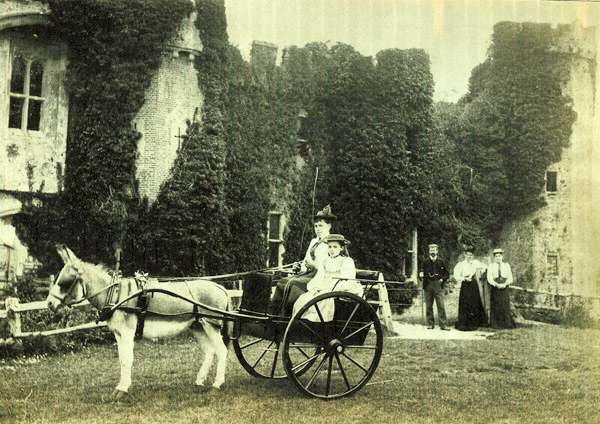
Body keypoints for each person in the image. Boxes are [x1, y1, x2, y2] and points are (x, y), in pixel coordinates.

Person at [267, 205, 336, 315]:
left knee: (292, 284)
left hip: (320, 277)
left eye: (321, 226)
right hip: (308, 274)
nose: (317, 229)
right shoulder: (314, 241)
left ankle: (286, 316)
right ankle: (273, 315)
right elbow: (306, 260)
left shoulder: (332, 243)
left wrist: (313, 265)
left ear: (329, 226)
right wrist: (300, 267)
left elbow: (329, 265)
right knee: (282, 282)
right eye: (316, 226)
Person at [292, 234, 360, 321]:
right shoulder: (325, 261)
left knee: (322, 301)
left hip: (338, 290)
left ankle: (318, 324)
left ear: (341, 248)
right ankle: (304, 323)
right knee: (304, 298)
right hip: (324, 289)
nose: (332, 250)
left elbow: (347, 282)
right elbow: (319, 276)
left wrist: (328, 289)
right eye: (330, 247)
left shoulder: (346, 261)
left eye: (335, 247)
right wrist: (314, 287)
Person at [454, 246, 487, 331]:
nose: (469, 257)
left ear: (473, 256)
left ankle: (474, 322)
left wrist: (480, 272)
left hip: (473, 284)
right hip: (465, 284)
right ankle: (464, 322)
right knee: (465, 302)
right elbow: (456, 275)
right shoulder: (461, 264)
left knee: (474, 302)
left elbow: (484, 267)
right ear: (465, 255)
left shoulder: (476, 262)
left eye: (471, 255)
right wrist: (464, 278)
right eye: (468, 255)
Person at [420, 243, 450, 330]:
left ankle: (443, 325)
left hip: (438, 285)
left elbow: (446, 274)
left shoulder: (441, 261)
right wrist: (420, 274)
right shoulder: (425, 262)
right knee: (429, 305)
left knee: (441, 305)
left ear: (437, 251)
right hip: (428, 285)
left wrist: (442, 280)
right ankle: (430, 324)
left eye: (434, 249)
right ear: (429, 251)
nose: (432, 251)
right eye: (431, 250)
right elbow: (421, 271)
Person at [486, 248, 516, 329]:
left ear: (502, 256)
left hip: (504, 287)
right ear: (494, 258)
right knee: (496, 305)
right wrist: (495, 284)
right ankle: (496, 324)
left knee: (504, 305)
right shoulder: (491, 266)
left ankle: (505, 323)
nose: (498, 258)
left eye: (499, 256)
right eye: (496, 256)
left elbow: (510, 278)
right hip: (495, 288)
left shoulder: (506, 265)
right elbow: (489, 278)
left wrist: (505, 284)